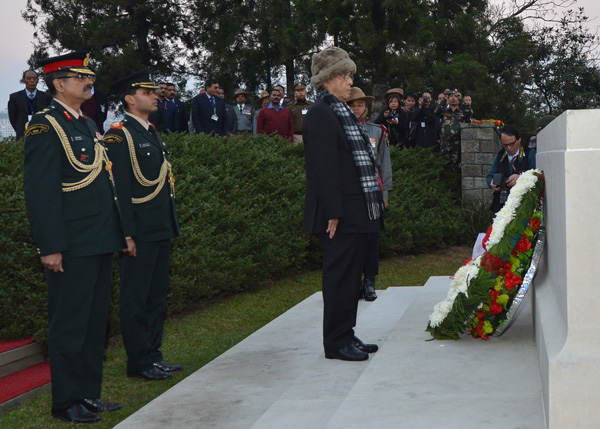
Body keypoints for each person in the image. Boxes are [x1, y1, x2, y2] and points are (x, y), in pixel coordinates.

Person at [23, 51, 125, 424]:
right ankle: (66, 402)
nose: (89, 82)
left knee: (95, 322)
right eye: (80, 77)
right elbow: (41, 192)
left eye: (90, 77)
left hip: (99, 238)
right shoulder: (45, 126)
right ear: (59, 84)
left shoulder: (84, 123)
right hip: (72, 243)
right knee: (69, 324)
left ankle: (88, 394)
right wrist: (50, 246)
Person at [303, 46, 383, 362]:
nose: (350, 81)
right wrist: (334, 212)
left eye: (350, 75)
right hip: (341, 214)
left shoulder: (340, 110)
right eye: (344, 75)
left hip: (358, 211)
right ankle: (335, 343)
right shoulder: (321, 113)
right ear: (328, 79)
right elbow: (323, 168)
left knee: (353, 279)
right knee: (340, 279)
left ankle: (346, 334)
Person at [104, 69, 182, 382]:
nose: (154, 95)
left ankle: (154, 355)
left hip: (159, 226)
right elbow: (118, 189)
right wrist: (126, 233)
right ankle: (138, 361)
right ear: (129, 98)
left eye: (154, 91)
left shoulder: (149, 130)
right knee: (136, 298)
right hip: (139, 231)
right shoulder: (119, 134)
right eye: (147, 92)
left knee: (155, 296)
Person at [346, 87, 392, 302]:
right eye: (352, 105)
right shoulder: (342, 130)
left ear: (366, 107)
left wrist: (385, 194)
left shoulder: (378, 131)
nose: (356, 109)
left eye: (360, 105)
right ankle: (354, 283)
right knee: (353, 241)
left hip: (374, 193)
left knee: (372, 240)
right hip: (352, 194)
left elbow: (384, 165)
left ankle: (370, 282)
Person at [486, 125, 536, 213]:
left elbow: (536, 175)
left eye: (512, 144)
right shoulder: (500, 156)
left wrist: (521, 177)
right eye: (505, 145)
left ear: (519, 139)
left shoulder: (530, 154)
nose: (509, 148)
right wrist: (492, 183)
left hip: (523, 204)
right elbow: (489, 176)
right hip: (502, 204)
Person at [7, 69, 53, 139]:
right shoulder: (15, 97)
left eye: (34, 78)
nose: (32, 81)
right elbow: (13, 118)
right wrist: (19, 130)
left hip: (43, 133)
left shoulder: (46, 97)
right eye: (29, 78)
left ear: (37, 80)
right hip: (23, 134)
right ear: (23, 80)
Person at [435, 89, 472, 169]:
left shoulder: (462, 112)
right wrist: (445, 98)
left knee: (457, 166)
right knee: (443, 165)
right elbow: (437, 111)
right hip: (445, 144)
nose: (453, 98)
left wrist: (461, 99)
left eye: (455, 96)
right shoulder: (444, 111)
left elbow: (469, 112)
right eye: (451, 96)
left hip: (458, 144)